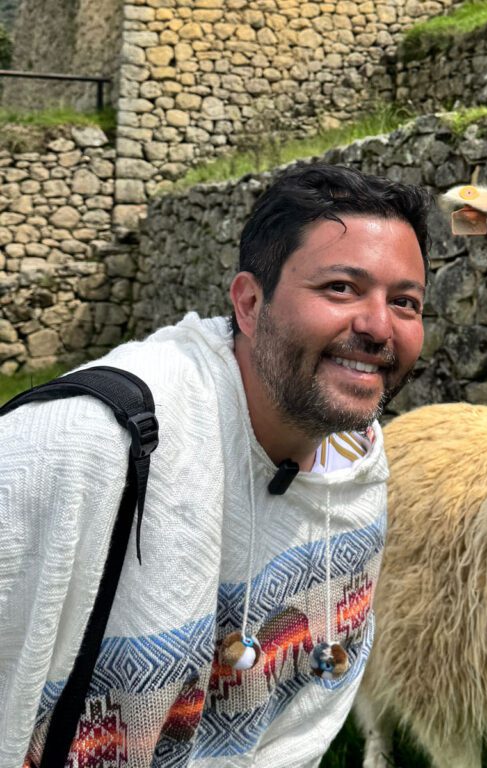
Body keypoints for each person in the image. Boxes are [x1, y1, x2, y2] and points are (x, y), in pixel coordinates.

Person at [0, 163, 431, 766]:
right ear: (251, 303)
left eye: (405, 302)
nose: (378, 326)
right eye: (341, 288)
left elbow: (302, 717)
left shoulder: (353, 473)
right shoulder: (82, 447)